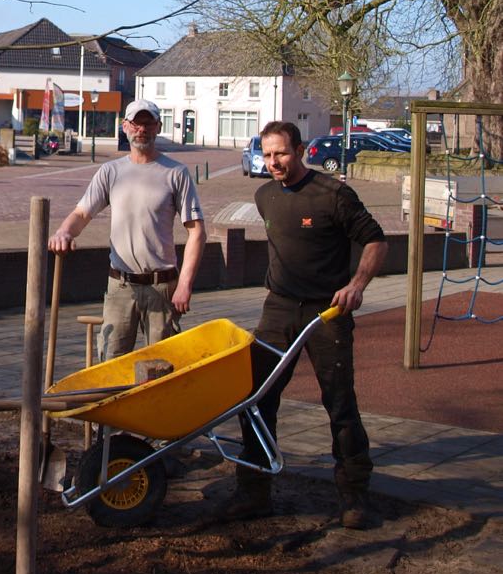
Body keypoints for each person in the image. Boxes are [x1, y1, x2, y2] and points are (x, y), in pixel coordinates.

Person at [218, 119, 388, 530]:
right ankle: (255, 491)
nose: (274, 162)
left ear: (301, 150)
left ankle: (354, 495)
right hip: (278, 310)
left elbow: (376, 239)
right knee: (256, 399)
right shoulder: (264, 197)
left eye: (281, 153)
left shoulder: (333, 195)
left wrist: (356, 285)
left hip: (327, 312)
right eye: (268, 154)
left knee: (340, 403)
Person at [48, 99, 207, 357]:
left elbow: (197, 231)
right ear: (125, 126)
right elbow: (82, 213)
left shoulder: (176, 173)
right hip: (120, 285)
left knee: (161, 366)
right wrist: (64, 232)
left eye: (148, 123)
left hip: (162, 287)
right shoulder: (111, 171)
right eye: (135, 123)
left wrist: (185, 284)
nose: (141, 129)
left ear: (158, 126)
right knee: (110, 363)